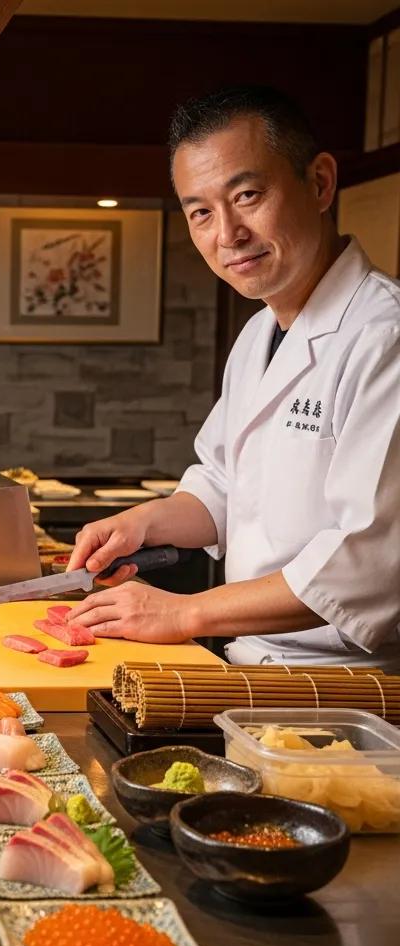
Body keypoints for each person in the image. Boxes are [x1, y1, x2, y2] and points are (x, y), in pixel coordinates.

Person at [66, 85, 400, 670]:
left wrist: (184, 613)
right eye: (201, 212)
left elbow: (367, 563)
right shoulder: (258, 334)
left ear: (320, 183)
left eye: (247, 195)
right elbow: (224, 485)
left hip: (352, 684)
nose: (227, 234)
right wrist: (140, 523)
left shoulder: (385, 335)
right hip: (250, 664)